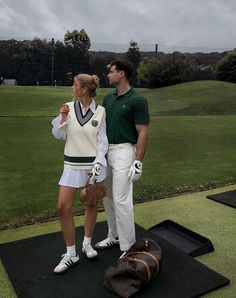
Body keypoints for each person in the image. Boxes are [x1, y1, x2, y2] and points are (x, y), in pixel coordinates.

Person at [51, 74, 108, 274]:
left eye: (74, 85)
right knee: (62, 207)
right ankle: (71, 254)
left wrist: (99, 164)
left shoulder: (101, 112)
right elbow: (59, 135)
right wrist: (63, 118)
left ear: (84, 89)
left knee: (91, 203)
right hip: (71, 165)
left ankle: (86, 243)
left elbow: (102, 141)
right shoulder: (67, 107)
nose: (71, 88)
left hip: (93, 167)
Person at [95, 60, 150, 255]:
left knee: (121, 199)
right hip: (106, 151)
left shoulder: (137, 100)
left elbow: (143, 132)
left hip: (125, 152)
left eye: (111, 72)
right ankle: (114, 235)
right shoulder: (108, 99)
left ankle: (128, 246)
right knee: (107, 198)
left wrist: (138, 162)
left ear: (122, 74)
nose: (107, 75)